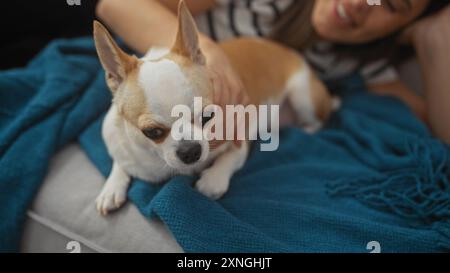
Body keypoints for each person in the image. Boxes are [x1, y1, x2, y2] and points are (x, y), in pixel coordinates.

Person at [95, 0, 450, 145]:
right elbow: (113, 4)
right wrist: (206, 51)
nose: (360, 3)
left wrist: (434, 39)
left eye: (390, 4)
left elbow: (439, 130)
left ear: (400, 28)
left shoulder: (363, 62)